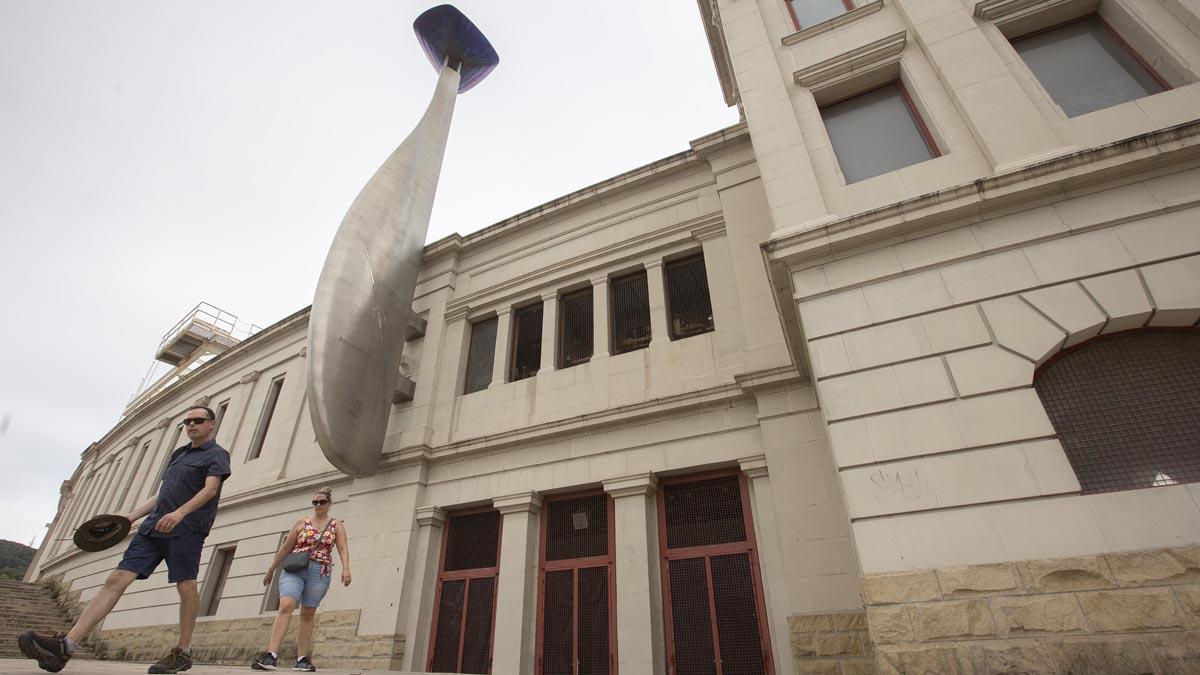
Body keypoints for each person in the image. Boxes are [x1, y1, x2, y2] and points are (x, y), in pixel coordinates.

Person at [19, 405, 232, 674]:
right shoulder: (179, 454)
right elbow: (163, 493)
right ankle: (67, 646)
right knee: (116, 578)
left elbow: (210, 489)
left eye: (198, 420)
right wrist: (131, 516)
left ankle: (183, 651)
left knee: (186, 586)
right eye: (187, 421)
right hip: (152, 527)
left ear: (211, 424)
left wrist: (180, 513)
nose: (192, 425)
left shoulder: (216, 454)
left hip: (186, 528)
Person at [251, 487, 351, 672]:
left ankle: (302, 659)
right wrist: (271, 570)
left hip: (319, 572)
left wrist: (345, 569)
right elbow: (286, 548)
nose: (318, 505)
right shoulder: (301, 522)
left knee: (307, 613)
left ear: (330, 504)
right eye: (315, 502)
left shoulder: (336, 525)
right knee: (286, 605)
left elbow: (343, 548)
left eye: (322, 502)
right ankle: (271, 655)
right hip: (294, 569)